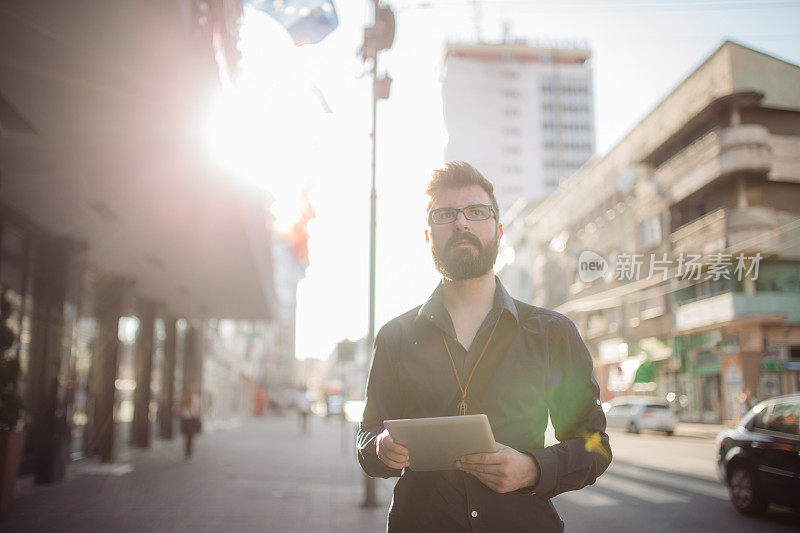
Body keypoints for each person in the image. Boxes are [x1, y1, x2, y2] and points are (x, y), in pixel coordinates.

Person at [357, 162, 612, 532]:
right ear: (429, 236)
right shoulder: (395, 336)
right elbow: (366, 436)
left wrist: (533, 468)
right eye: (445, 214)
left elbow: (594, 445)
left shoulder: (552, 332)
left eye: (477, 212)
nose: (461, 223)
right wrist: (379, 448)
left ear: (499, 230)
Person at [180, 389, 202, 460]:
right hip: (192, 420)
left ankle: (186, 452)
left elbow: (180, 410)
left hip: (185, 420)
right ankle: (189, 453)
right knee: (190, 438)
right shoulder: (195, 399)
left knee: (187, 437)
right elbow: (199, 409)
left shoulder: (184, 398)